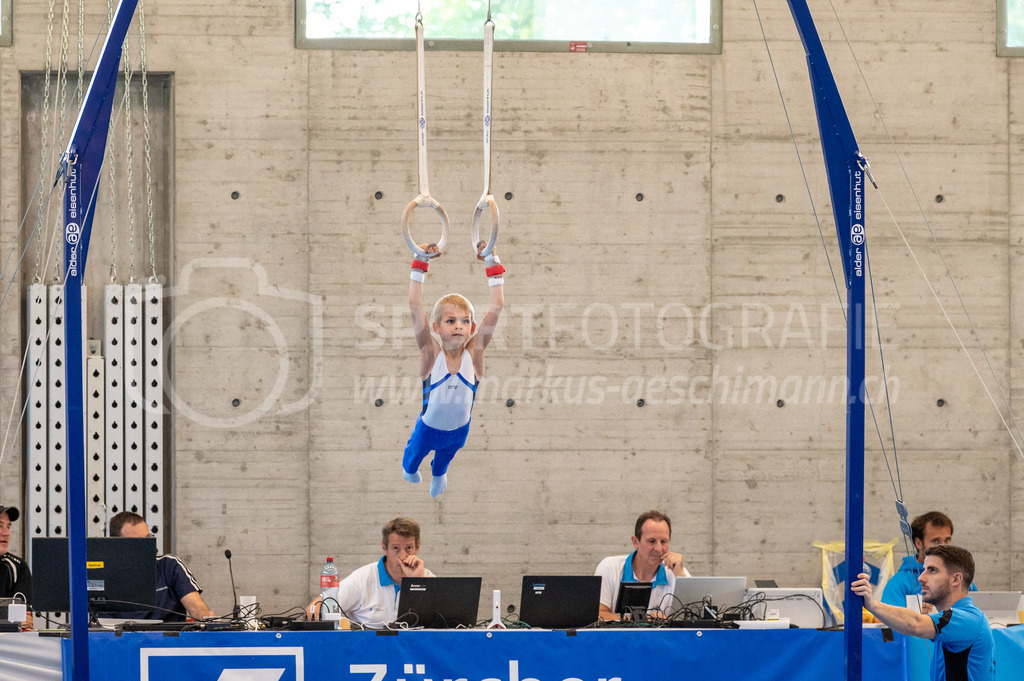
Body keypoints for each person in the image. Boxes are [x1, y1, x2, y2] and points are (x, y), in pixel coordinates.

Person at [402, 241, 504, 497]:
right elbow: (415, 307)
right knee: (411, 463)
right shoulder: (430, 355)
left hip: (459, 431)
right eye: (450, 321)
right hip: (427, 429)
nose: (458, 326)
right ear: (436, 328)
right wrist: (420, 261)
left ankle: (439, 473)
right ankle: (413, 470)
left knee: (444, 460)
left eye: (464, 321)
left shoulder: (475, 355)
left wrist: (491, 262)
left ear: (472, 328)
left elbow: (497, 307)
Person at [852, 545, 994, 681]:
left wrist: (872, 604)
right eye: (924, 569)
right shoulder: (957, 619)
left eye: (932, 570)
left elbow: (915, 623)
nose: (921, 577)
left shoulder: (967, 619)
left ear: (956, 579)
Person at [306, 517, 434, 627]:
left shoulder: (427, 577)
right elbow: (316, 608)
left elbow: (443, 625)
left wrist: (418, 581)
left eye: (409, 548)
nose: (403, 556)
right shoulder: (362, 579)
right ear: (384, 548)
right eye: (395, 548)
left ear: (418, 547)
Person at [107, 511, 214, 622]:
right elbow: (101, 630)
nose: (147, 546)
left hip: (171, 638)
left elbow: (196, 607)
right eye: (138, 542)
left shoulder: (170, 566)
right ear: (118, 546)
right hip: (125, 639)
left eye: (148, 539)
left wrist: (206, 619)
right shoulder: (106, 578)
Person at [594, 510, 691, 620]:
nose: (659, 549)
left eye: (664, 541)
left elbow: (695, 618)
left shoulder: (678, 573)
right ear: (635, 542)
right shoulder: (610, 567)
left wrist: (680, 576)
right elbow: (598, 614)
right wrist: (642, 621)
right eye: (651, 541)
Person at [882, 511, 977, 609]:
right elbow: (886, 619)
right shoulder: (898, 583)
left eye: (947, 540)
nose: (944, 546)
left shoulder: (960, 578)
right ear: (918, 543)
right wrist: (914, 614)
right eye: (936, 541)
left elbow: (981, 613)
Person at [0, 505, 32, 630]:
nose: (6, 533)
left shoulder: (18, 567)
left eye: (8, 527)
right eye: (0, 526)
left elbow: (25, 623)